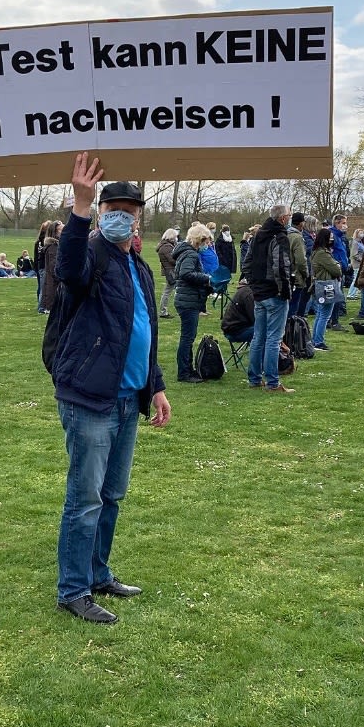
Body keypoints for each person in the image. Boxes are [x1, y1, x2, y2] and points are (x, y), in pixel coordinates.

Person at [51, 153, 170, 624]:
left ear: (139, 218)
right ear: (102, 213)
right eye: (113, 209)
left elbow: (144, 331)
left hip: (127, 399)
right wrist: (80, 207)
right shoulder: (92, 253)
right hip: (90, 398)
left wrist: (155, 387)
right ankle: (73, 590)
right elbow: (68, 269)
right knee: (85, 500)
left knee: (111, 494)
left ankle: (98, 573)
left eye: (130, 211)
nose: (122, 216)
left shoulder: (138, 265)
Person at [243, 206, 294, 392]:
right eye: (288, 215)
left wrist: (253, 284)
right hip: (273, 293)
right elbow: (281, 267)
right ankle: (273, 382)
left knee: (258, 337)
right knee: (273, 339)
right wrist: (285, 290)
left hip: (260, 293)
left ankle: (255, 378)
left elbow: (246, 263)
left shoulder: (258, 235)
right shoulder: (279, 237)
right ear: (282, 218)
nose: (290, 218)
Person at [172, 222, 214, 383]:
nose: (207, 244)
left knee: (188, 336)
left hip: (186, 299)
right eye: (206, 241)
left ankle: (188, 369)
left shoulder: (187, 252)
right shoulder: (191, 254)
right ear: (199, 240)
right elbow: (186, 273)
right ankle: (184, 372)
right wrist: (207, 278)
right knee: (187, 338)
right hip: (188, 301)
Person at [309, 227, 342, 350]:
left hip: (320, 284)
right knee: (324, 315)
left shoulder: (317, 251)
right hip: (326, 285)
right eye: (330, 238)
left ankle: (315, 340)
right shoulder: (323, 253)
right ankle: (318, 341)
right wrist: (338, 265)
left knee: (320, 314)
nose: (332, 240)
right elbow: (336, 270)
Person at [287, 213, 310, 318]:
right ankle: (291, 326)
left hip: (285, 274)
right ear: (301, 223)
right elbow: (301, 260)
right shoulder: (297, 238)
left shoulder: (286, 234)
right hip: (296, 276)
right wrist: (306, 273)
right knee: (293, 306)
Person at [221, 278, 255, 344]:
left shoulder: (244, 291)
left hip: (231, 328)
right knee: (267, 331)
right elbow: (255, 318)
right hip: (236, 331)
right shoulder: (248, 293)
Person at [38, 220, 62, 314]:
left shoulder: (57, 246)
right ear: (55, 232)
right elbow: (54, 268)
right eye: (61, 229)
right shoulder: (53, 247)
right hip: (54, 288)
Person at [155, 227, 179, 318]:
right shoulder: (166, 247)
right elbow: (172, 260)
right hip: (171, 271)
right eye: (175, 236)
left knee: (169, 291)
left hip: (170, 270)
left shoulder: (167, 245)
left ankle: (164, 311)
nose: (176, 238)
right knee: (167, 292)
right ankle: (163, 311)